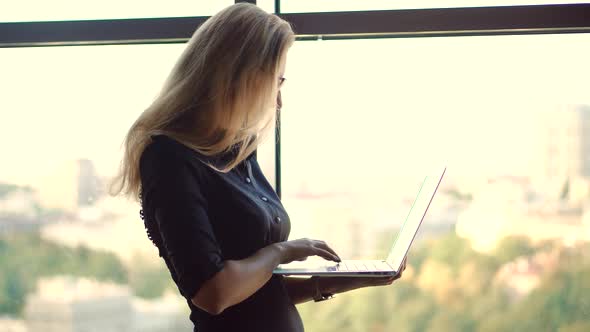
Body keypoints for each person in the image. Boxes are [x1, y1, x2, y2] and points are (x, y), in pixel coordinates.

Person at [110, 3, 406, 331]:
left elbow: (261, 296)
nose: (278, 101)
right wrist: (282, 251)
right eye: (274, 84)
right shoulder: (168, 159)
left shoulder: (238, 153)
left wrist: (352, 279)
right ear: (238, 78)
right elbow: (214, 294)